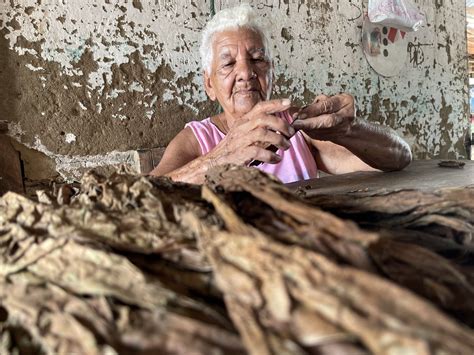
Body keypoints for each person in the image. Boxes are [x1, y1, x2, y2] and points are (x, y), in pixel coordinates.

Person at [150, 4, 412, 184]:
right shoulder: (197, 139)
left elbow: (398, 157)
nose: (246, 72)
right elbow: (147, 192)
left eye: (257, 59)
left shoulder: (295, 126)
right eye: (229, 64)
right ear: (209, 84)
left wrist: (349, 130)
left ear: (271, 72)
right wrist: (220, 157)